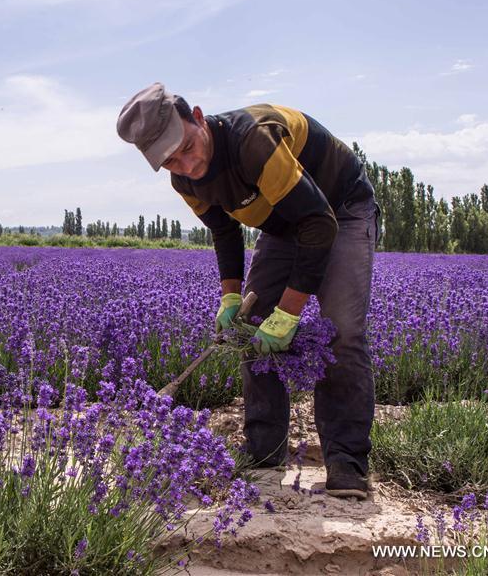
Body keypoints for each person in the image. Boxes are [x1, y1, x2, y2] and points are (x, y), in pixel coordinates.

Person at [116, 82, 381, 500]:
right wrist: (231, 298)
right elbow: (224, 231)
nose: (187, 163)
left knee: (341, 330)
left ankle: (347, 461)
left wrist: (290, 312)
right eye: (170, 161)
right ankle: (264, 452)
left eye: (187, 146)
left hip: (340, 209)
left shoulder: (253, 141)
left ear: (199, 118)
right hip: (283, 223)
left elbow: (318, 223)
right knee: (250, 331)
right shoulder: (185, 181)